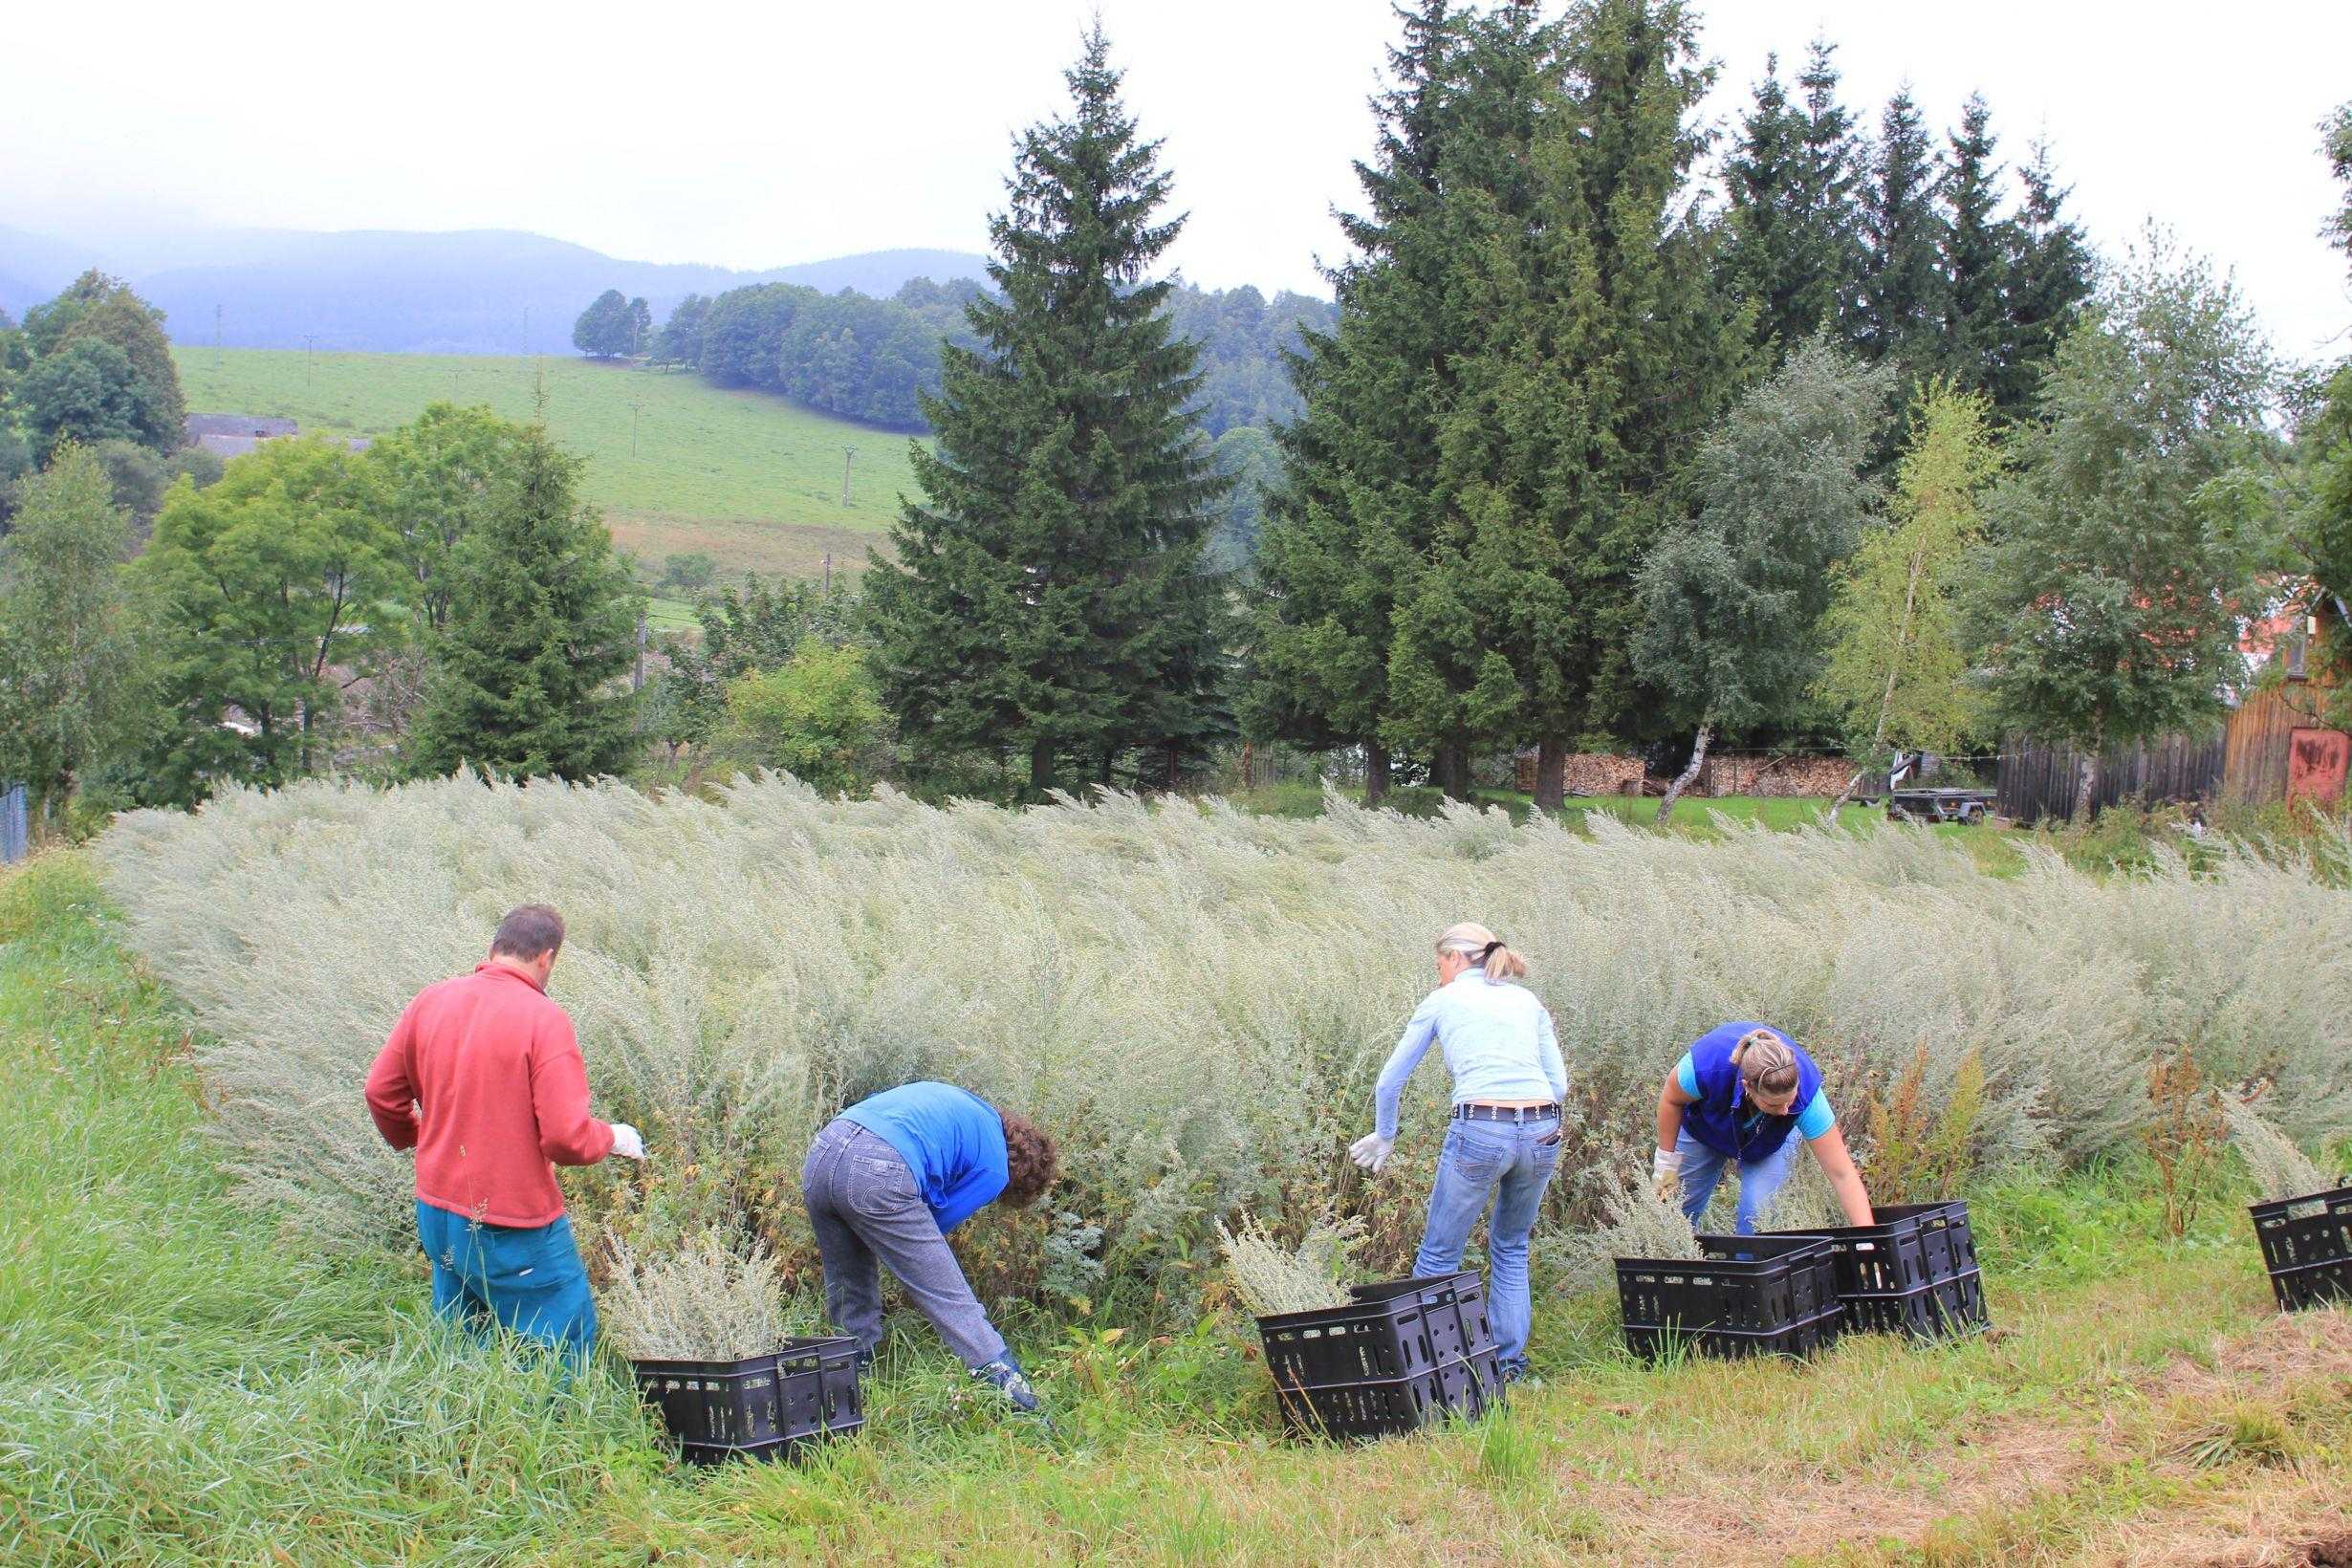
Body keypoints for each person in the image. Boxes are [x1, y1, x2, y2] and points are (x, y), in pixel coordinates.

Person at [363, 904, 645, 1361]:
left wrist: (422, 1135)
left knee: (463, 1340)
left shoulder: (430, 1000)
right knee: (562, 1340)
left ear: (494, 948)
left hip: (437, 1211)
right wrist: (611, 1137)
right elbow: (565, 1137)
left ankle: (464, 1426)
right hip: (510, 1223)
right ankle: (561, 1428)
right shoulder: (543, 1018)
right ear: (547, 958)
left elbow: (380, 1092)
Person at [1349, 923, 1566, 1385]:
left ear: (1453, 959)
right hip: (1544, 1128)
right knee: (1510, 1247)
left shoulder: (1443, 1001)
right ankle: (1509, 1369)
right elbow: (1559, 1086)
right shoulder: (1526, 1001)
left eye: (1438, 966)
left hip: (1481, 1127)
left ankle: (1436, 1372)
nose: (1438, 976)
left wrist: (1385, 1134)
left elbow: (1389, 1081)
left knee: (1438, 1257)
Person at [802, 1081, 1059, 1418]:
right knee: (952, 1301)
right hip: (878, 1168)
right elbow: (933, 1228)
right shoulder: (996, 1170)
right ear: (1021, 1182)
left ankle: (842, 1404)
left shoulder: (971, 1106)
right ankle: (1024, 1411)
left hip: (824, 1150)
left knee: (850, 1287)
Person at [1652, 1022, 1874, 1235]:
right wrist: (1666, 1166)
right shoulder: (1707, 1067)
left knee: (1758, 1219)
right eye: (1774, 1104)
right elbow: (1671, 1100)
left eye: (1790, 1100)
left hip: (1769, 1142)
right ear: (1747, 1087)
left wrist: (1867, 1245)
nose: (1786, 1111)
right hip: (1703, 1128)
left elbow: (1843, 1175)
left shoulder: (1807, 1099)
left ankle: (1745, 1271)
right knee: (1674, 1212)